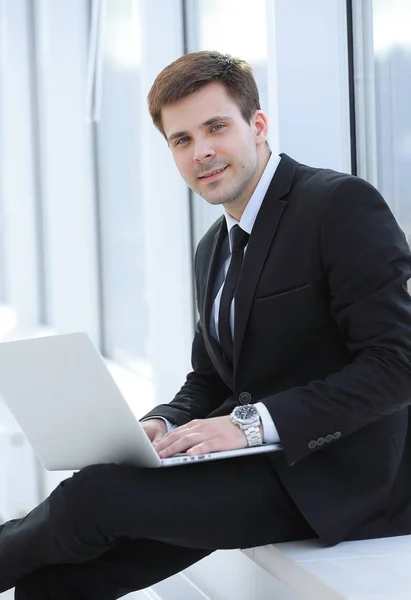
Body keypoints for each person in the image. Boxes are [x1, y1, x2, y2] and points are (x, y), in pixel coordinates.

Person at [1, 49, 411, 599]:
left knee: (91, 498)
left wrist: (246, 424)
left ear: (257, 125)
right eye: (183, 139)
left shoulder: (337, 205)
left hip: (334, 477)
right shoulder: (213, 247)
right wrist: (162, 424)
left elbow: (397, 363)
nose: (203, 152)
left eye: (216, 127)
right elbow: (210, 380)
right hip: (251, 469)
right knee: (60, 582)